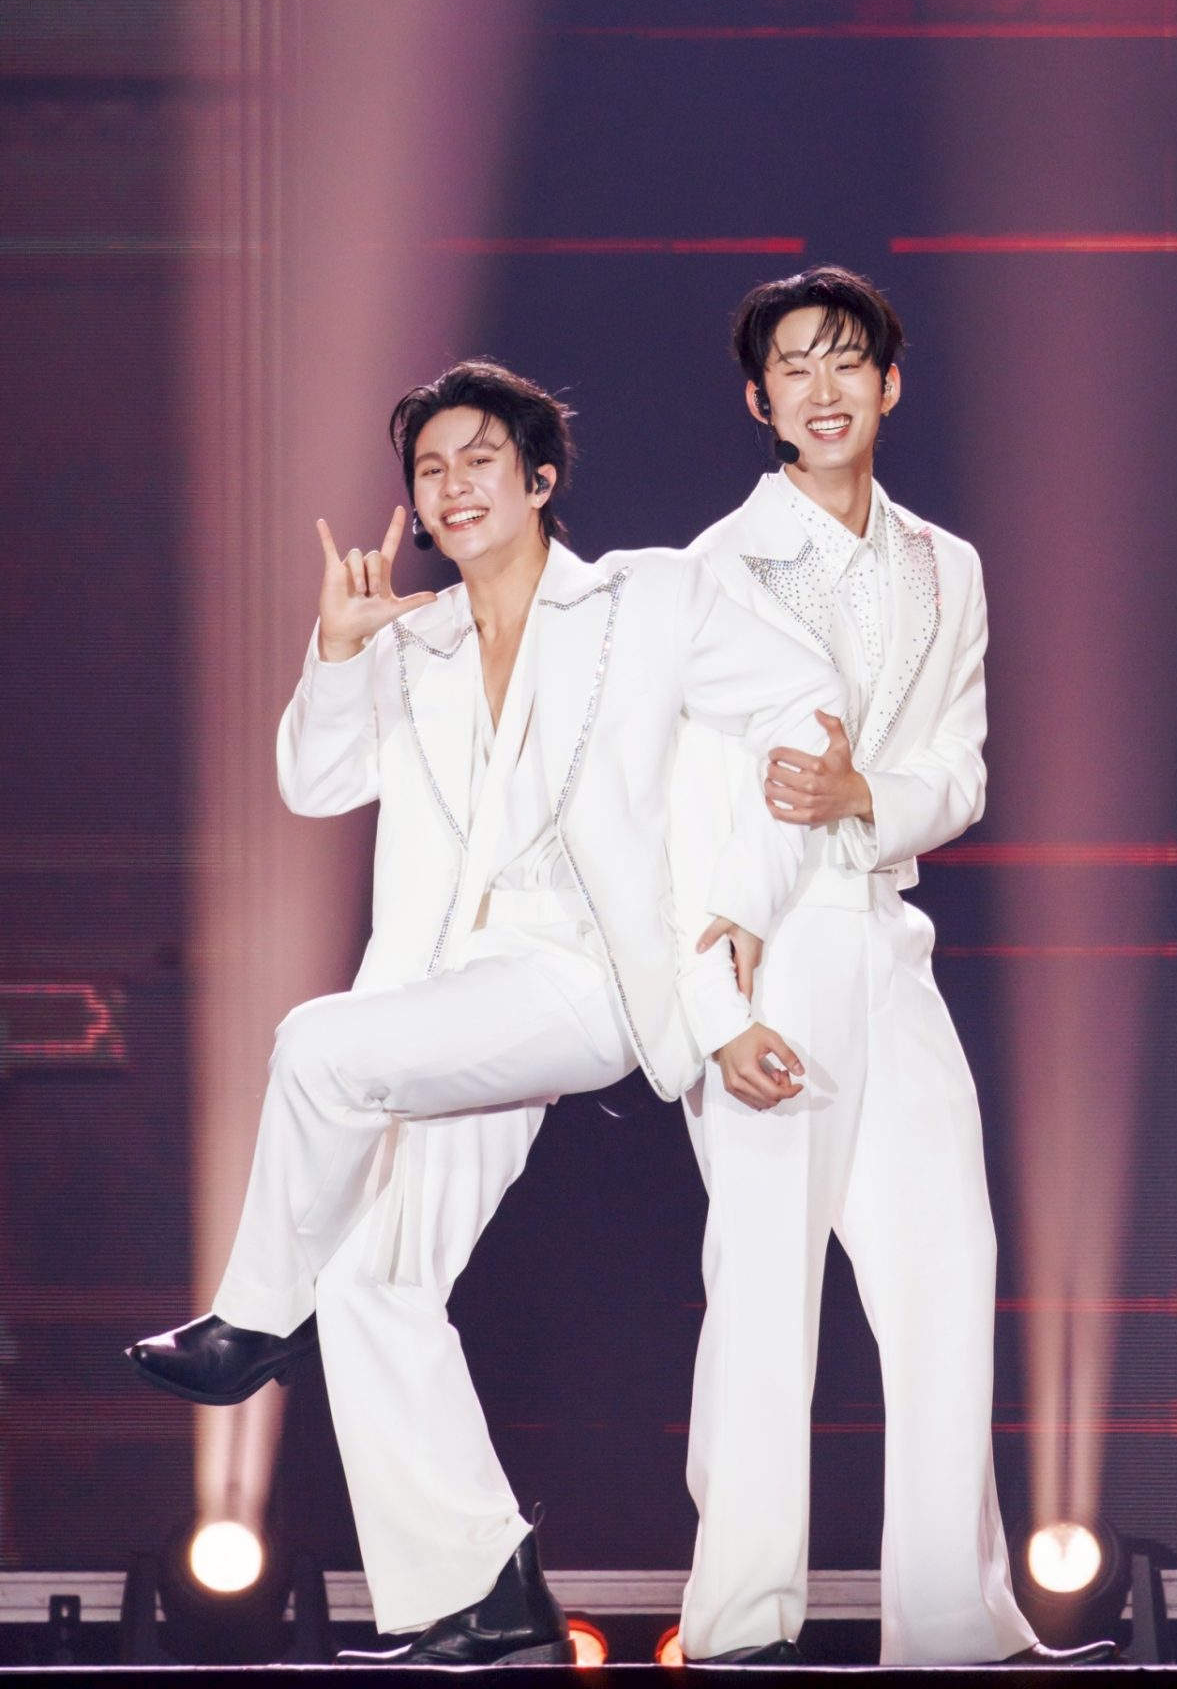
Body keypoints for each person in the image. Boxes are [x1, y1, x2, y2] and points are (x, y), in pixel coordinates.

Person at [127, 358, 843, 1667]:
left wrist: (758, 877)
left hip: (586, 976)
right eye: (429, 470)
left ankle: (255, 1319)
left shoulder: (643, 598)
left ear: (539, 478)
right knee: (376, 1281)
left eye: (477, 461)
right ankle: (484, 1593)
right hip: (448, 999)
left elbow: (797, 695)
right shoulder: (413, 642)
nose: (451, 487)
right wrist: (340, 651)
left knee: (313, 1046)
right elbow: (315, 781)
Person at [667, 267, 1113, 1667]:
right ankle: (740, 1623)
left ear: (889, 383)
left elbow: (959, 775)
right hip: (764, 946)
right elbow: (680, 804)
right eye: (793, 368)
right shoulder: (713, 569)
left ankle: (953, 1622)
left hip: (881, 930)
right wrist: (712, 1007)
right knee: (765, 1290)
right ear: (759, 401)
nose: (822, 389)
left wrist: (868, 796)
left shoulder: (946, 565)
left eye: (845, 361)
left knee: (946, 1265)